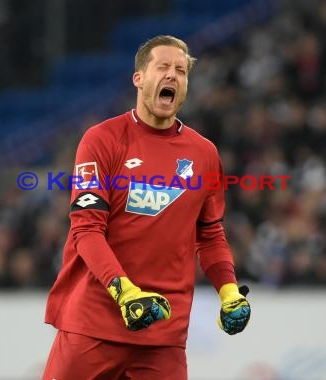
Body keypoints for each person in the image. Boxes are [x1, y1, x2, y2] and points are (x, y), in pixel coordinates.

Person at [42, 35, 251, 380]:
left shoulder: (204, 154)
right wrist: (125, 293)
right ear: (138, 78)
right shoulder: (101, 140)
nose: (172, 75)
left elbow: (210, 235)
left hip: (163, 334)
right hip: (95, 323)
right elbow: (87, 230)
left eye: (181, 71)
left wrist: (228, 289)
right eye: (163, 67)